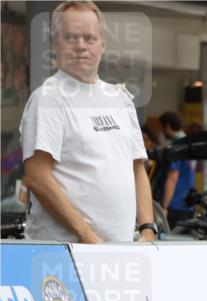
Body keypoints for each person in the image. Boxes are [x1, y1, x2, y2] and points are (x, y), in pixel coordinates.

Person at [20, 0, 156, 243]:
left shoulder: (120, 99)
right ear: (55, 44)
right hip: (65, 251)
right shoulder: (49, 99)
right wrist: (89, 238)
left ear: (102, 45)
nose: (81, 46)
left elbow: (137, 168)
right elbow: (37, 177)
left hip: (120, 251)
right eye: (71, 37)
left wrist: (148, 229)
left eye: (89, 38)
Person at [159, 111, 195, 225]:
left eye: (162, 127)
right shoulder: (189, 143)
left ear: (167, 126)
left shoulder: (177, 146)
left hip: (175, 205)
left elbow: (172, 178)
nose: (161, 132)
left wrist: (164, 206)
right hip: (188, 203)